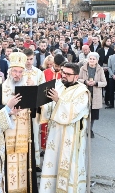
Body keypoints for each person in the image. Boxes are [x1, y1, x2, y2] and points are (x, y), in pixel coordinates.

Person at [0, 52, 38, 193]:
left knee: (25, 164)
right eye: (15, 71)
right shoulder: (1, 88)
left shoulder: (28, 88)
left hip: (25, 134)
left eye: (20, 72)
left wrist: (34, 91)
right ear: (10, 72)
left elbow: (35, 111)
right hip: (7, 134)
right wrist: (9, 110)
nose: (17, 74)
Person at [39, 63, 90, 192]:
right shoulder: (59, 85)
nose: (64, 76)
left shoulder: (82, 91)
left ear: (76, 76)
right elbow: (50, 107)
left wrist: (58, 100)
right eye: (63, 73)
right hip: (55, 134)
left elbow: (74, 112)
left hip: (70, 136)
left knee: (69, 166)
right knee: (53, 163)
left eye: (68, 74)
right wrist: (40, 105)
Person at [78, 52, 107, 138]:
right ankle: (82, 129)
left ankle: (90, 129)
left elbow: (104, 83)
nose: (91, 60)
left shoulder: (100, 69)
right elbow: (78, 79)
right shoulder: (83, 68)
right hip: (84, 93)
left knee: (93, 114)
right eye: (90, 59)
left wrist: (96, 83)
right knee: (83, 113)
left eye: (93, 59)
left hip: (95, 94)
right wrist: (85, 81)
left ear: (97, 60)